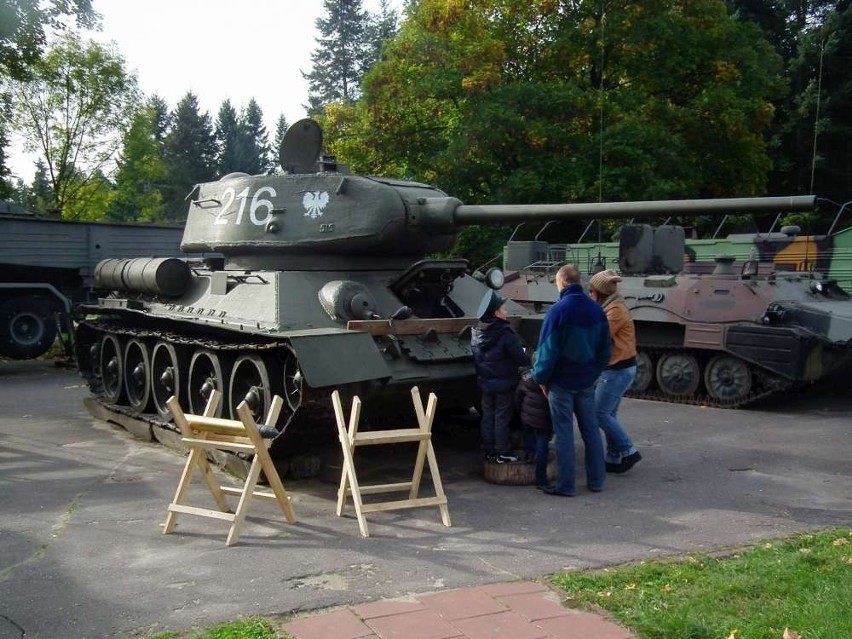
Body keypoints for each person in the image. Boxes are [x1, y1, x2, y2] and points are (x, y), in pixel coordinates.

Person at [532, 264, 611, 496]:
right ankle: (597, 481)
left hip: (561, 383)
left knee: (564, 433)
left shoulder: (558, 312)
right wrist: (593, 375)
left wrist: (540, 378)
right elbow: (605, 351)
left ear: (563, 282)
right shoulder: (598, 310)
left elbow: (547, 352)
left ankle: (566, 486)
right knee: (591, 431)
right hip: (586, 381)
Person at [588, 269, 642, 473]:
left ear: (600, 293)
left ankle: (628, 450)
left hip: (617, 369)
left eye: (591, 293)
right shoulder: (611, 307)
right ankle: (614, 457)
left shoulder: (615, 310)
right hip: (618, 368)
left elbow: (599, 336)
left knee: (599, 414)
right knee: (609, 413)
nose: (589, 296)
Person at [472, 290, 531, 463]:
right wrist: (527, 355)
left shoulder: (476, 331)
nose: (506, 311)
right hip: (504, 383)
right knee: (502, 417)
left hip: (485, 382)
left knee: (488, 416)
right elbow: (521, 358)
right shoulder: (505, 332)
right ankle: (502, 451)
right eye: (503, 309)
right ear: (496, 312)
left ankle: (489, 449)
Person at [515, 368, 552, 487]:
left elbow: (518, 398)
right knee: (542, 447)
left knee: (528, 438)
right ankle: (541, 478)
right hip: (544, 419)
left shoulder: (525, 380)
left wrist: (519, 413)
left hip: (527, 418)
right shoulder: (550, 379)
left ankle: (529, 456)